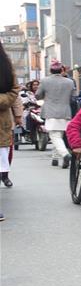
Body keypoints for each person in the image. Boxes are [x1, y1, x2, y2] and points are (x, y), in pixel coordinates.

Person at [35, 60, 77, 168]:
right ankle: (55, 158)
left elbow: (38, 95)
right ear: (61, 70)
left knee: (54, 136)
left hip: (51, 111)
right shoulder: (70, 82)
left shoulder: (44, 81)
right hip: (65, 112)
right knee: (59, 135)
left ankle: (65, 154)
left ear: (50, 70)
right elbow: (73, 97)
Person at [0, 42, 24, 192]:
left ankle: (5, 175)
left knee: (4, 155)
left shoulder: (5, 67)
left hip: (2, 121)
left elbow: (14, 92)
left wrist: (18, 116)